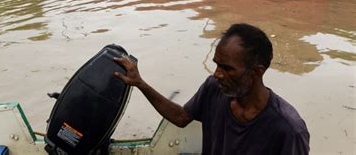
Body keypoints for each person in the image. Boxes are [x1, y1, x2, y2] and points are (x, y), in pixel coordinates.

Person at [115, 23, 310, 154]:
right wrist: (140, 83)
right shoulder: (214, 88)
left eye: (227, 68)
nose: (217, 74)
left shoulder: (289, 130)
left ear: (256, 72)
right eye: (217, 64)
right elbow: (182, 117)